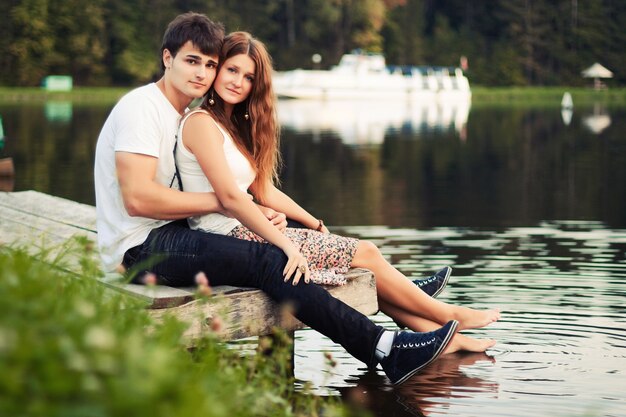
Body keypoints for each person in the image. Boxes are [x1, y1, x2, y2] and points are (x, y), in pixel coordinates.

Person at [94, 12, 461, 386]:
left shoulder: (180, 113)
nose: (202, 74)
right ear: (167, 58)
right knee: (273, 259)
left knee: (280, 250)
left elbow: (212, 194)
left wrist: (249, 206)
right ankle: (385, 345)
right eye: (192, 61)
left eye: (209, 64)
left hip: (168, 236)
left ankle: (396, 314)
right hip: (139, 250)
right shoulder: (142, 108)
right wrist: (227, 201)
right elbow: (137, 200)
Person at [175, 31, 499, 355]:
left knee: (364, 264)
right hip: (227, 239)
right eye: (232, 70)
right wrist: (286, 242)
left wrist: (313, 222)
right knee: (367, 254)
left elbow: (264, 190)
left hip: (249, 229)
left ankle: (448, 340)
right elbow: (231, 198)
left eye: (248, 77)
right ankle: (447, 315)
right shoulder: (202, 123)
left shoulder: (234, 127)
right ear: (217, 69)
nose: (238, 82)